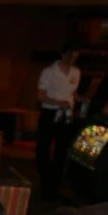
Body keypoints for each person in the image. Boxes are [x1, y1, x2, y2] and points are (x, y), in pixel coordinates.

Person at [35, 43, 80, 201]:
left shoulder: (76, 72)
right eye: (70, 55)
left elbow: (72, 93)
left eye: (76, 56)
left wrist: (79, 101)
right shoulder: (49, 72)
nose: (73, 58)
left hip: (66, 114)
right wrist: (57, 102)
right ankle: (45, 180)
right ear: (63, 54)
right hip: (50, 112)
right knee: (43, 148)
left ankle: (54, 184)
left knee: (62, 149)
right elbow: (40, 95)